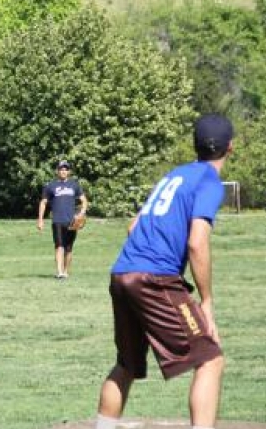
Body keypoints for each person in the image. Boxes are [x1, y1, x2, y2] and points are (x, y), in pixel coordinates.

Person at [94, 114, 233, 429]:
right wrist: (206, 301)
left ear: (194, 145)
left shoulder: (173, 176)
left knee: (126, 364)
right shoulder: (209, 181)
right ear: (230, 148)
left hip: (122, 272)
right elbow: (197, 243)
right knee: (210, 359)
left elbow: (133, 226)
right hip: (154, 279)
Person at [37, 160, 89, 279]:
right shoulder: (50, 186)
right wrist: (40, 220)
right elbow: (43, 203)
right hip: (57, 220)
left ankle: (66, 271)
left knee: (69, 248)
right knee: (59, 245)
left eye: (65, 169)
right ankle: (59, 272)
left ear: (69, 171)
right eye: (61, 169)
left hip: (72, 221)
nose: (63, 171)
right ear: (57, 171)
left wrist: (81, 213)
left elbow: (84, 201)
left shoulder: (74, 185)